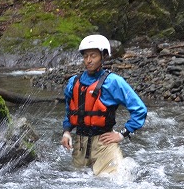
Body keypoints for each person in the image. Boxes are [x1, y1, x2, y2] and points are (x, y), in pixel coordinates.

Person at [61, 34, 147, 175]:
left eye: (93, 56)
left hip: (104, 145)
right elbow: (69, 111)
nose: (88, 61)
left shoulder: (113, 82)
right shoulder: (73, 83)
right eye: (85, 56)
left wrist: (122, 134)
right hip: (80, 145)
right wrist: (66, 132)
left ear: (103, 56)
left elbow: (140, 109)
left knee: (114, 185)